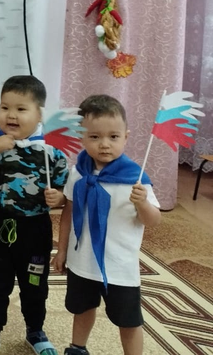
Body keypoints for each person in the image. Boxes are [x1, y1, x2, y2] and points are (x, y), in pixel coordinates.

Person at [0, 75, 68, 355]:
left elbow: (64, 190)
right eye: (5, 107)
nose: (11, 115)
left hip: (36, 227)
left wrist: (59, 198)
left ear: (39, 114)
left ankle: (35, 330)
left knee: (35, 281)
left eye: (21, 109)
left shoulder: (51, 148)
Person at [54, 95, 161, 355]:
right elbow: (69, 211)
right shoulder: (78, 172)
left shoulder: (135, 179)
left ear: (126, 137)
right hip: (82, 262)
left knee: (129, 320)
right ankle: (77, 348)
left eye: (113, 137)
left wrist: (143, 203)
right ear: (81, 137)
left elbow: (153, 220)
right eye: (94, 137)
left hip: (119, 267)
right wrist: (62, 250)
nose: (104, 144)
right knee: (82, 309)